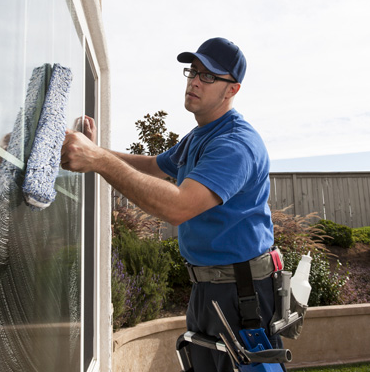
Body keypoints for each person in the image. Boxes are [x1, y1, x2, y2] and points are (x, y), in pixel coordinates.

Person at [61, 37, 285, 372]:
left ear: (232, 89)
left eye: (209, 76)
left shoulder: (235, 144)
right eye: (193, 71)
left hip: (241, 295)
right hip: (208, 288)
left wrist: (97, 161)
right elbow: (154, 166)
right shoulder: (199, 137)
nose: (195, 80)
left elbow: (179, 208)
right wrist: (99, 151)